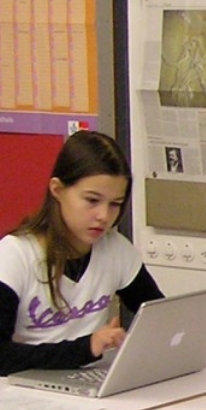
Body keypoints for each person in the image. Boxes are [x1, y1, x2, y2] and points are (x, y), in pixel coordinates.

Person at [0, 130, 163, 376]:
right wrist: (87, 348)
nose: (104, 216)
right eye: (92, 200)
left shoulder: (116, 249)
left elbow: (159, 316)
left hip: (85, 379)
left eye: (115, 204)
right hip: (21, 387)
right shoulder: (14, 255)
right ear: (57, 190)